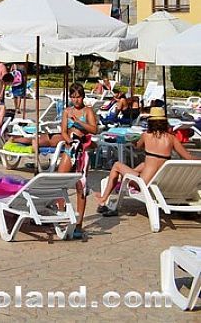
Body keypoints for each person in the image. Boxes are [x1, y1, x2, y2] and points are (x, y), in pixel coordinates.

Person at [13, 82, 97, 238]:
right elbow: (63, 131)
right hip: (70, 148)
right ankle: (61, 213)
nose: (76, 100)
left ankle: (79, 224)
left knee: (81, 187)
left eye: (78, 97)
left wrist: (78, 122)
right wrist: (68, 140)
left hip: (82, 150)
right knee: (60, 181)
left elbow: (94, 129)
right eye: (73, 97)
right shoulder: (67, 111)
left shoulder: (88, 111)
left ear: (83, 97)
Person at [95, 107, 195, 215]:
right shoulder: (172, 139)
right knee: (144, 164)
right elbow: (189, 157)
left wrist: (135, 142)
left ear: (150, 122)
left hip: (143, 183)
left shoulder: (146, 136)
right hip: (162, 183)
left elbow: (137, 147)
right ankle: (122, 178)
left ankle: (103, 198)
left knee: (117, 165)